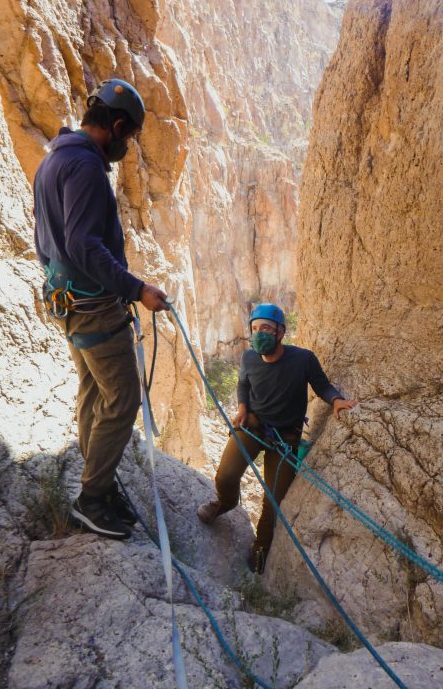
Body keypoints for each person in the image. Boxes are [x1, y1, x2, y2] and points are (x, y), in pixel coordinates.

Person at [33, 78, 169, 540]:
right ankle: (92, 499)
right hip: (93, 305)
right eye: (127, 137)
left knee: (93, 390)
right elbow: (83, 243)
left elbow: (47, 240)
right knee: (123, 398)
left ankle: (99, 484)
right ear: (114, 126)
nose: (126, 147)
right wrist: (136, 289)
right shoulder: (87, 169)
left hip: (66, 300)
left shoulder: (54, 160)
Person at [197, 303, 357, 572]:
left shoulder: (303, 359)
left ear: (281, 333)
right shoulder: (249, 358)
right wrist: (242, 409)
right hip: (254, 425)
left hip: (285, 437)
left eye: (267, 329)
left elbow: (322, 385)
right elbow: (243, 384)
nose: (260, 334)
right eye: (255, 329)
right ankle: (225, 503)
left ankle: (261, 548)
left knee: (274, 500)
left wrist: (337, 401)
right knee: (225, 475)